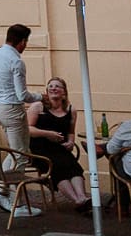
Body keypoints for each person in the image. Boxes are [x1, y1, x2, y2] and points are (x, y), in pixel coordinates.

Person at [0, 24, 38, 206]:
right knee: (20, 155)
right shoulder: (16, 61)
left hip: (0, 109)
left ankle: (0, 189)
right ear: (22, 42)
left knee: (14, 151)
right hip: (13, 109)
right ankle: (13, 202)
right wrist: (40, 97)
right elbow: (22, 95)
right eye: (26, 42)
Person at [26, 77, 90, 207]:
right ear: (47, 91)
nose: (53, 88)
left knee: (73, 166)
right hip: (39, 149)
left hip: (59, 148)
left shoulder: (71, 110)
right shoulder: (38, 107)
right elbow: (27, 129)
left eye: (57, 86)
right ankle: (77, 200)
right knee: (57, 166)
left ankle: (82, 197)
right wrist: (47, 134)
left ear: (64, 92)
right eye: (50, 86)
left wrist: (71, 142)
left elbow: (70, 132)